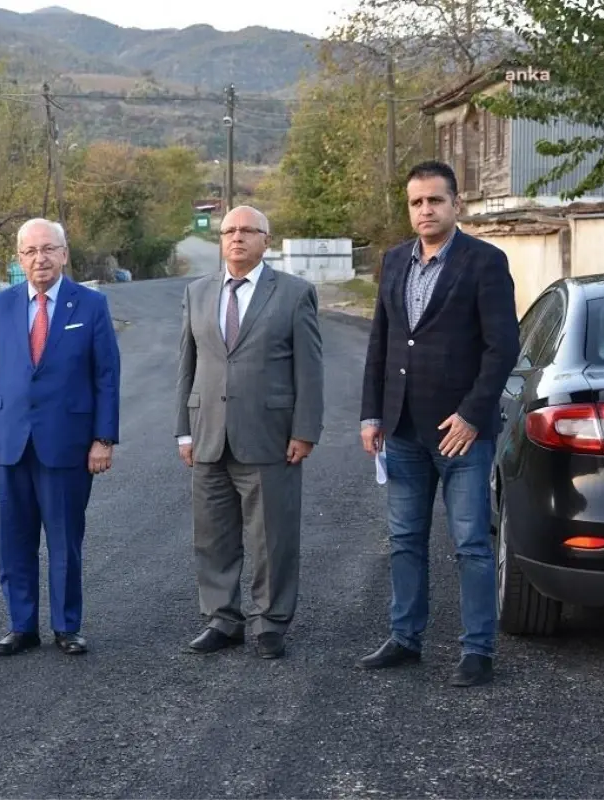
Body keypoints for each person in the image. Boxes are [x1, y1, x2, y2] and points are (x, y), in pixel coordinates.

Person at [358, 160, 520, 687]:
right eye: (416, 202)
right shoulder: (394, 261)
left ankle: (478, 650)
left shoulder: (485, 262)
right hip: (403, 429)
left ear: (456, 205)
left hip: (460, 434)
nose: (425, 210)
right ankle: (405, 639)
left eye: (435, 200)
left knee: (471, 544)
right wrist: (372, 413)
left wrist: (473, 415)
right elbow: (381, 344)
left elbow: (502, 348)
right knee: (404, 540)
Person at [174, 205, 324, 660]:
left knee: (271, 535)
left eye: (247, 231)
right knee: (212, 535)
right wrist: (184, 431)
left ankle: (270, 621)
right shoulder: (197, 292)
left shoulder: (295, 294)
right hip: (207, 435)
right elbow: (188, 366)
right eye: (229, 231)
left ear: (266, 240)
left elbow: (310, 370)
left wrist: (305, 430)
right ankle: (222, 618)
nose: (236, 238)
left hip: (270, 435)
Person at [0, 218, 121, 657]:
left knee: (65, 540)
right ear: (19, 259)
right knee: (12, 539)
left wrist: (103, 438)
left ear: (64, 253)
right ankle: (22, 626)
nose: (40, 259)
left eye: (49, 249)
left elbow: (106, 376)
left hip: (67, 441)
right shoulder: (1, 306)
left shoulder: (90, 305)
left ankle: (67, 626)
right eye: (31, 252)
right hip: (8, 440)